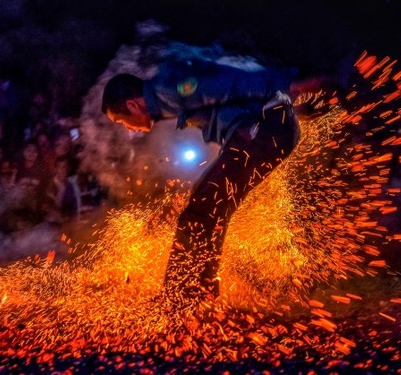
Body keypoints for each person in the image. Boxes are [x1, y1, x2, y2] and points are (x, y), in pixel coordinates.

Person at [101, 58, 301, 308]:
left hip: (264, 132)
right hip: (268, 132)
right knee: (210, 207)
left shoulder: (170, 88)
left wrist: (291, 82)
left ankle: (182, 298)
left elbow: (231, 82)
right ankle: (199, 294)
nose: (129, 129)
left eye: (122, 121)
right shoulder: (166, 98)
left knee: (200, 211)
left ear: (132, 104)